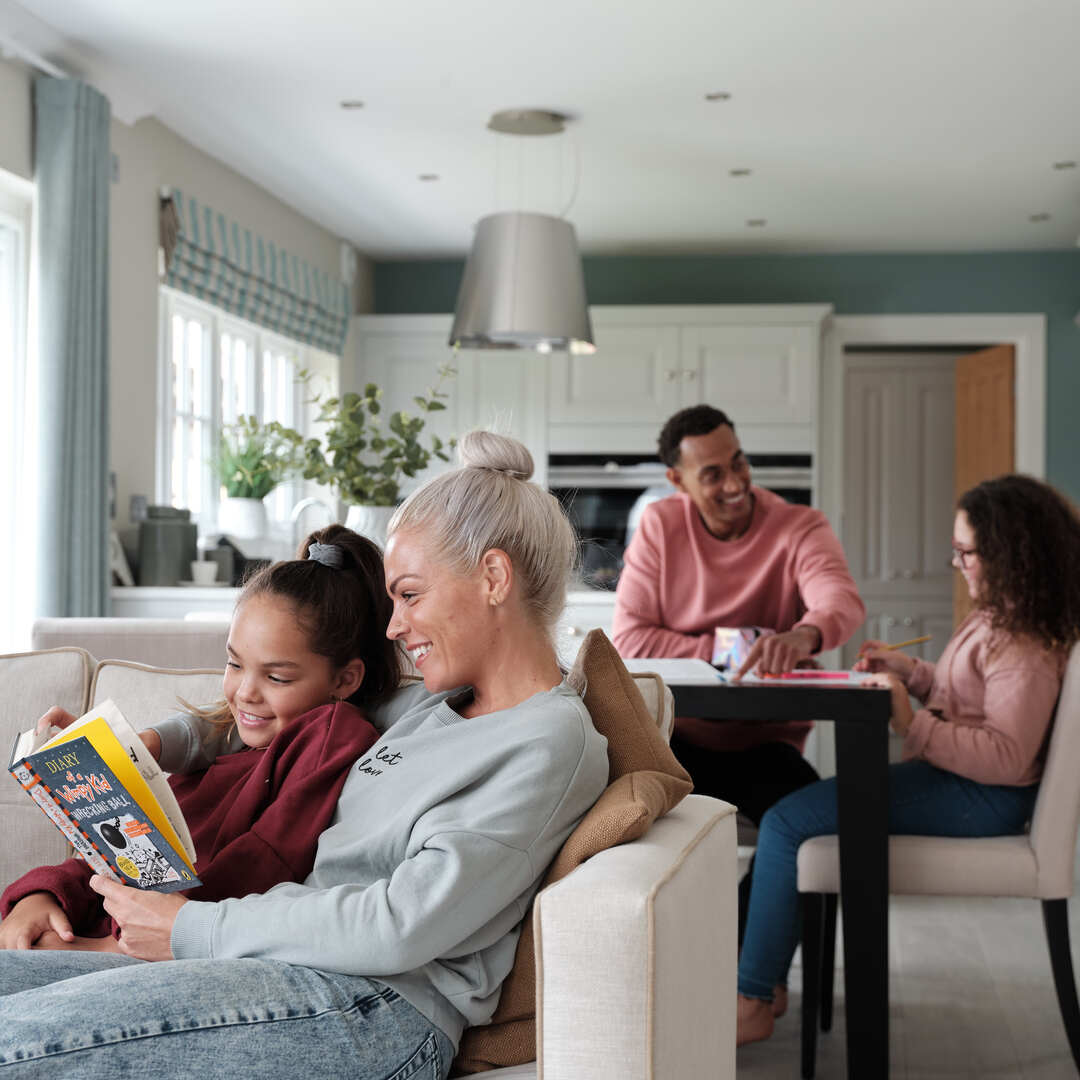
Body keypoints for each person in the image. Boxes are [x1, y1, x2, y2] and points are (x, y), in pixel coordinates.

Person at [0, 431, 609, 1080]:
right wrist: (133, 747)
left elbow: (401, 924)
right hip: (282, 968)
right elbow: (267, 722)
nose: (394, 626)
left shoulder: (547, 742)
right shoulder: (431, 706)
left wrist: (190, 929)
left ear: (493, 578)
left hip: (377, 1009)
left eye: (409, 595)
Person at [736, 474, 1080, 1046]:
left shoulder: (1022, 644)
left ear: (1012, 554)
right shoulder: (1002, 617)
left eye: (967, 552)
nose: (958, 564)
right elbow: (971, 698)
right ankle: (765, 986)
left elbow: (1005, 755)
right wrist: (913, 675)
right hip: (966, 785)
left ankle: (752, 1000)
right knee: (791, 815)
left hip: (982, 796)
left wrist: (910, 721)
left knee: (785, 821)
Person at [0, 525, 394, 951]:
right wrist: (39, 896)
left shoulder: (332, 733)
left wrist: (103, 950)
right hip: (100, 926)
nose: (245, 692)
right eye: (234, 664)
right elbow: (113, 861)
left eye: (277, 677)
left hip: (159, 947)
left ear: (345, 679)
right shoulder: (217, 756)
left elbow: (257, 870)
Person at [613, 403, 865, 954]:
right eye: (713, 474)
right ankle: (686, 967)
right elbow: (630, 639)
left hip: (766, 746)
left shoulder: (800, 526)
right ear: (677, 480)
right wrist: (738, 648)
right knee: (616, 832)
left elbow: (841, 602)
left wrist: (805, 635)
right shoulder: (660, 525)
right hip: (675, 746)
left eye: (739, 462)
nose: (734, 483)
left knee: (823, 832)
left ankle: (742, 972)